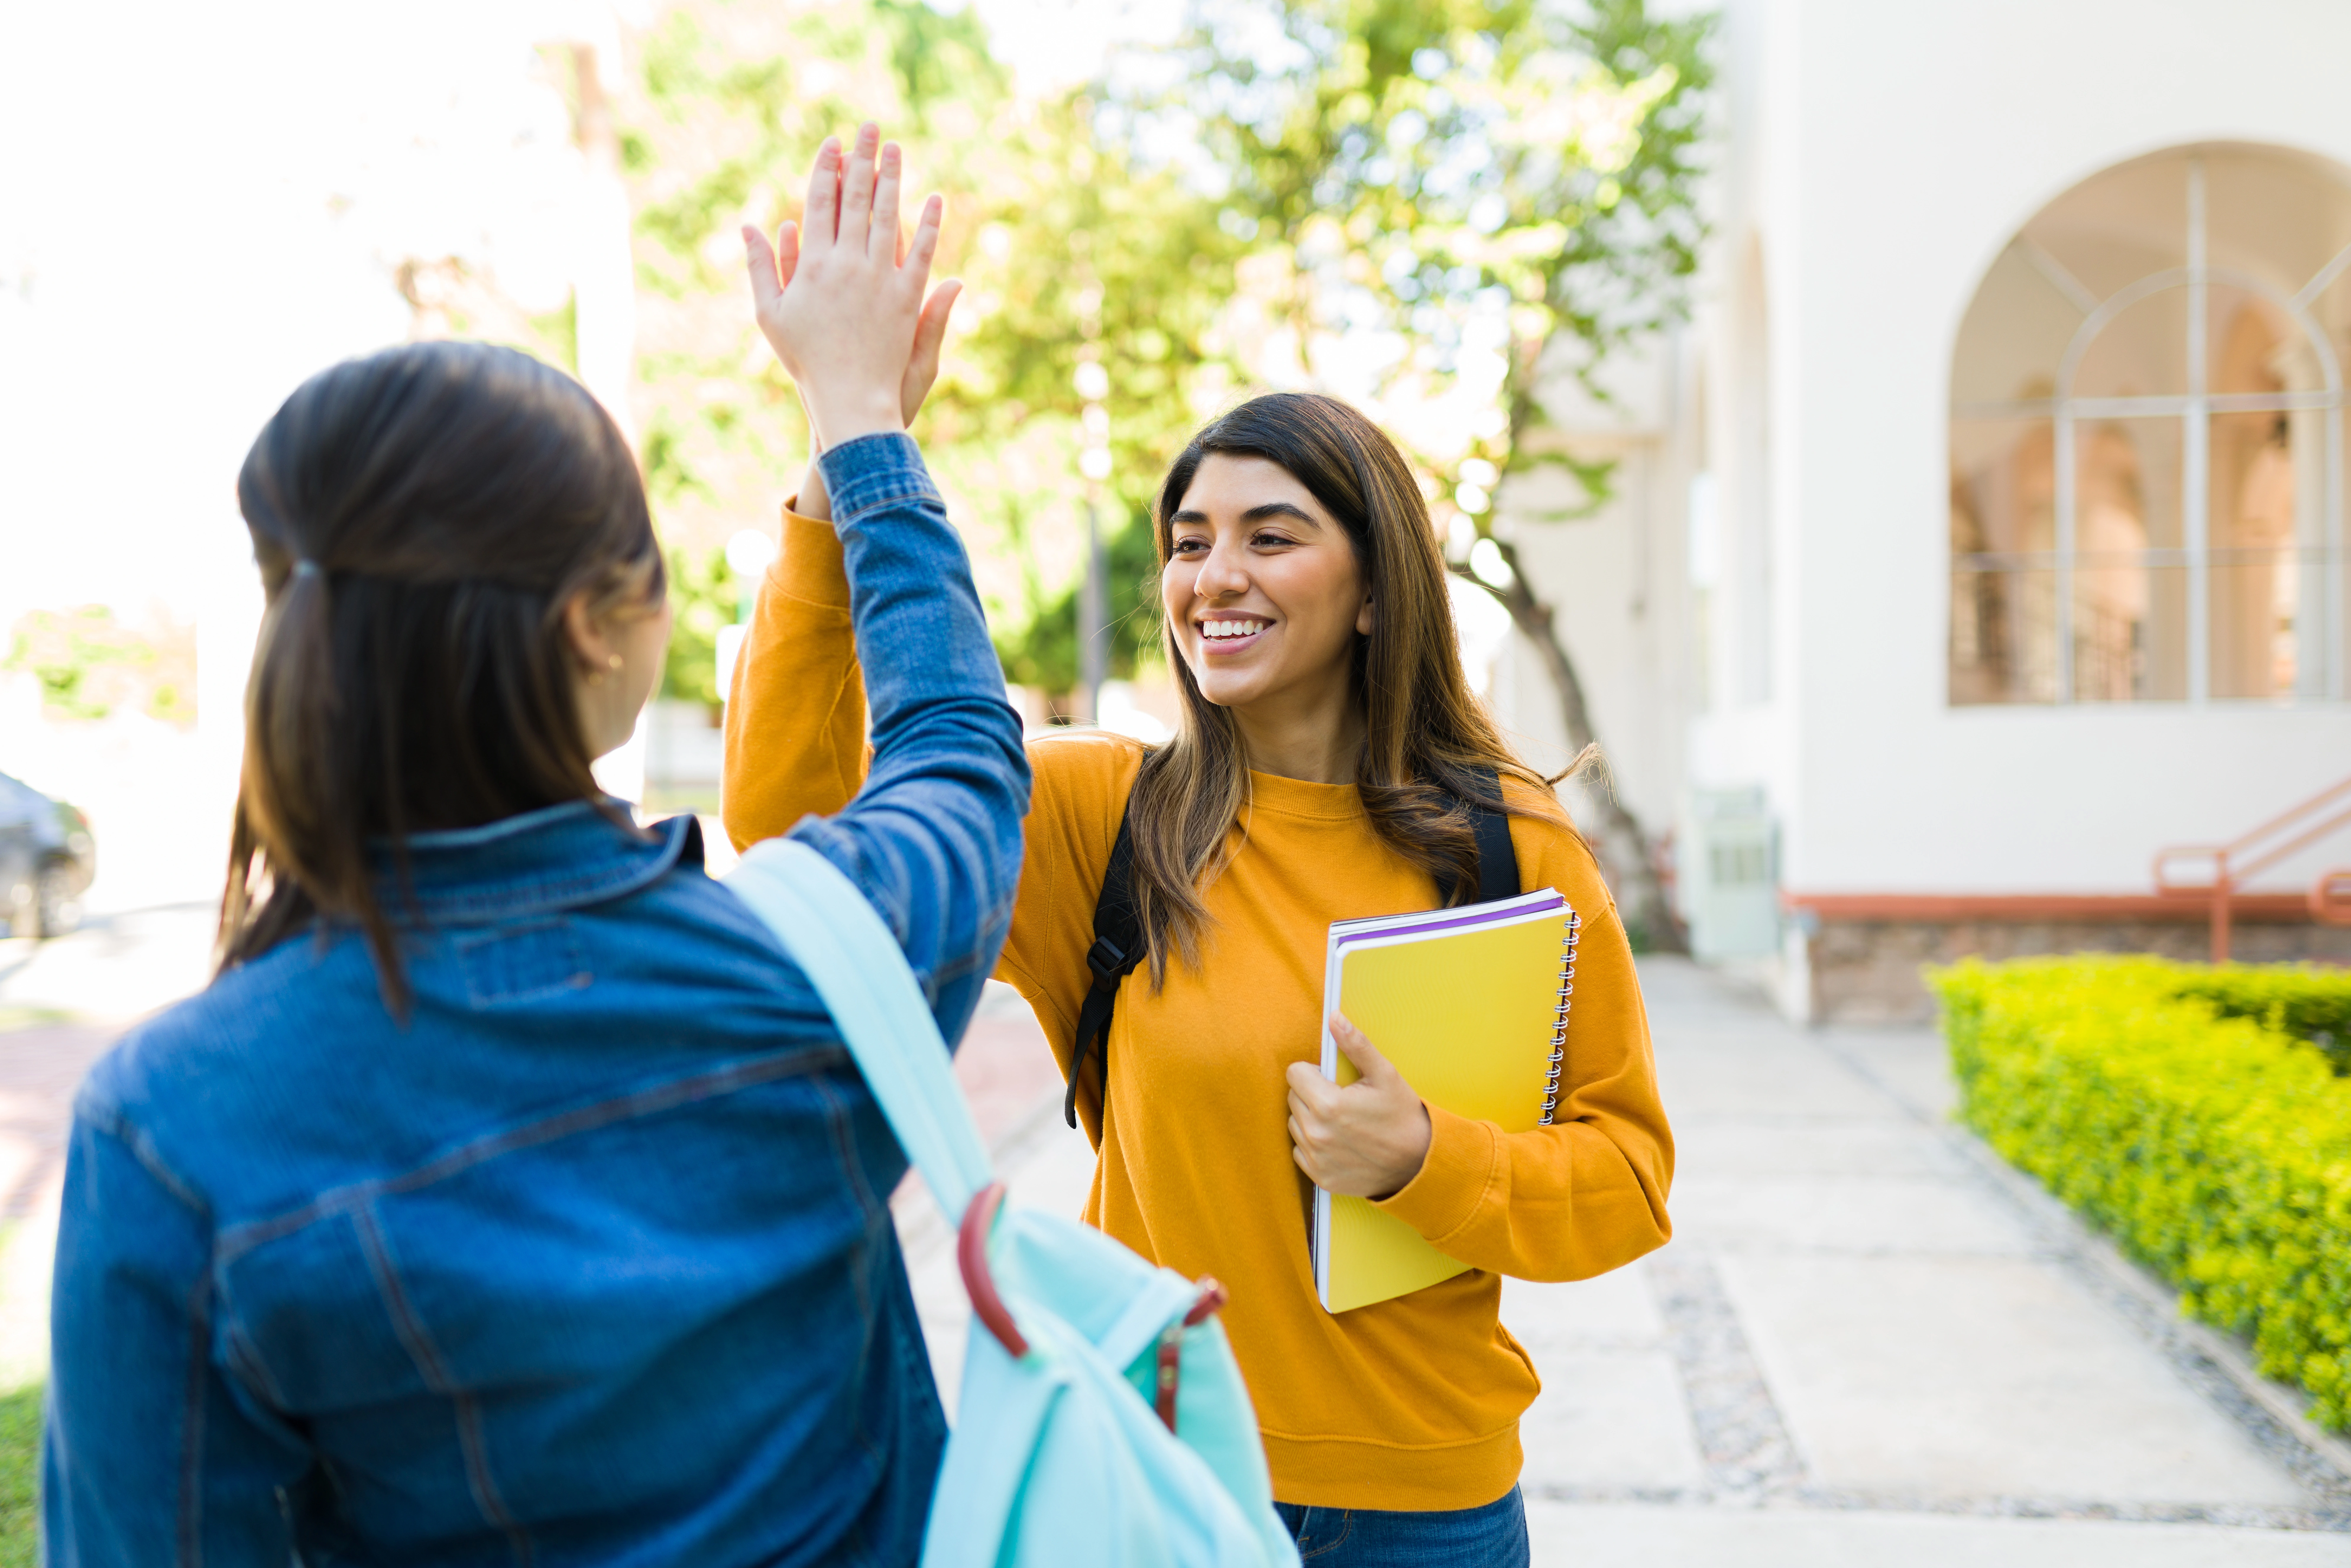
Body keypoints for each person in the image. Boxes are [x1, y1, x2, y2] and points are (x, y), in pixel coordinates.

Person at [43, 128, 1019, 1565]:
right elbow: (953, 751)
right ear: (593, 628)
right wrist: (858, 432)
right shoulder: (817, 966)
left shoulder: (169, 1125)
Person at [726, 384, 1677, 1553]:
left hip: (1426, 1511)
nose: (1212, 576)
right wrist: (836, 473)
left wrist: (1425, 1159)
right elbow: (798, 823)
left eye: (1269, 537)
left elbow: (1625, 1184)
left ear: (1376, 588)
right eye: (1189, 544)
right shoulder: (1102, 817)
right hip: (1152, 1484)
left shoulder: (1509, 849)